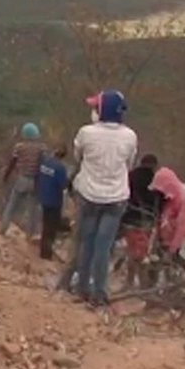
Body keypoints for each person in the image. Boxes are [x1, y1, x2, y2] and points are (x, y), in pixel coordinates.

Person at [71, 90, 138, 306]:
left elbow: (78, 157)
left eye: (95, 107)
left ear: (101, 111)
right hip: (116, 198)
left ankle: (82, 288)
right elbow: (129, 165)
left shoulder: (85, 133)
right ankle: (100, 293)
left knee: (87, 242)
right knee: (103, 246)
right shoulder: (130, 136)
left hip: (89, 195)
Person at [119, 154, 162, 288]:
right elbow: (159, 202)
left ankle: (129, 282)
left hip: (128, 218)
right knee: (141, 254)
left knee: (131, 250)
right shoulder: (156, 180)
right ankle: (143, 285)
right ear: (154, 165)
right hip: (145, 220)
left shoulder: (129, 176)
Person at [0, 122, 47, 237]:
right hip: (35, 180)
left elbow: (12, 162)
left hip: (22, 179)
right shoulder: (41, 148)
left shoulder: (19, 147)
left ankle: (3, 228)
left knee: (12, 205)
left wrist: (6, 176)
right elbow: (43, 164)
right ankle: (31, 234)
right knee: (33, 209)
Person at [150, 167, 185, 267]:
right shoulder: (164, 198)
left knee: (172, 261)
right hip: (164, 235)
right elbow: (159, 218)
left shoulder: (182, 199)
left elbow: (182, 227)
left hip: (173, 236)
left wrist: (173, 249)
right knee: (156, 261)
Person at [37, 146, 70, 261]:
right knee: (51, 228)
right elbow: (63, 185)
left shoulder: (45, 162)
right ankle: (46, 254)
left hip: (43, 197)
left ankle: (43, 250)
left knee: (45, 224)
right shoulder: (60, 168)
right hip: (54, 201)